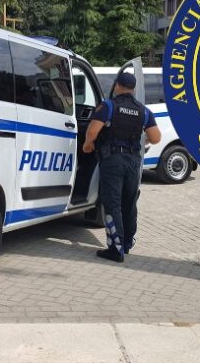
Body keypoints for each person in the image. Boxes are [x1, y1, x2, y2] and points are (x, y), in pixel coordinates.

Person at [82, 71, 161, 262]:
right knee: (129, 203)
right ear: (133, 89)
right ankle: (126, 244)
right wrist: (143, 138)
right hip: (133, 161)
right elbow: (156, 138)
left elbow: (92, 131)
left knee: (112, 203)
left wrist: (88, 145)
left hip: (113, 160)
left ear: (117, 85)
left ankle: (115, 249)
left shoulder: (108, 106)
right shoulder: (143, 111)